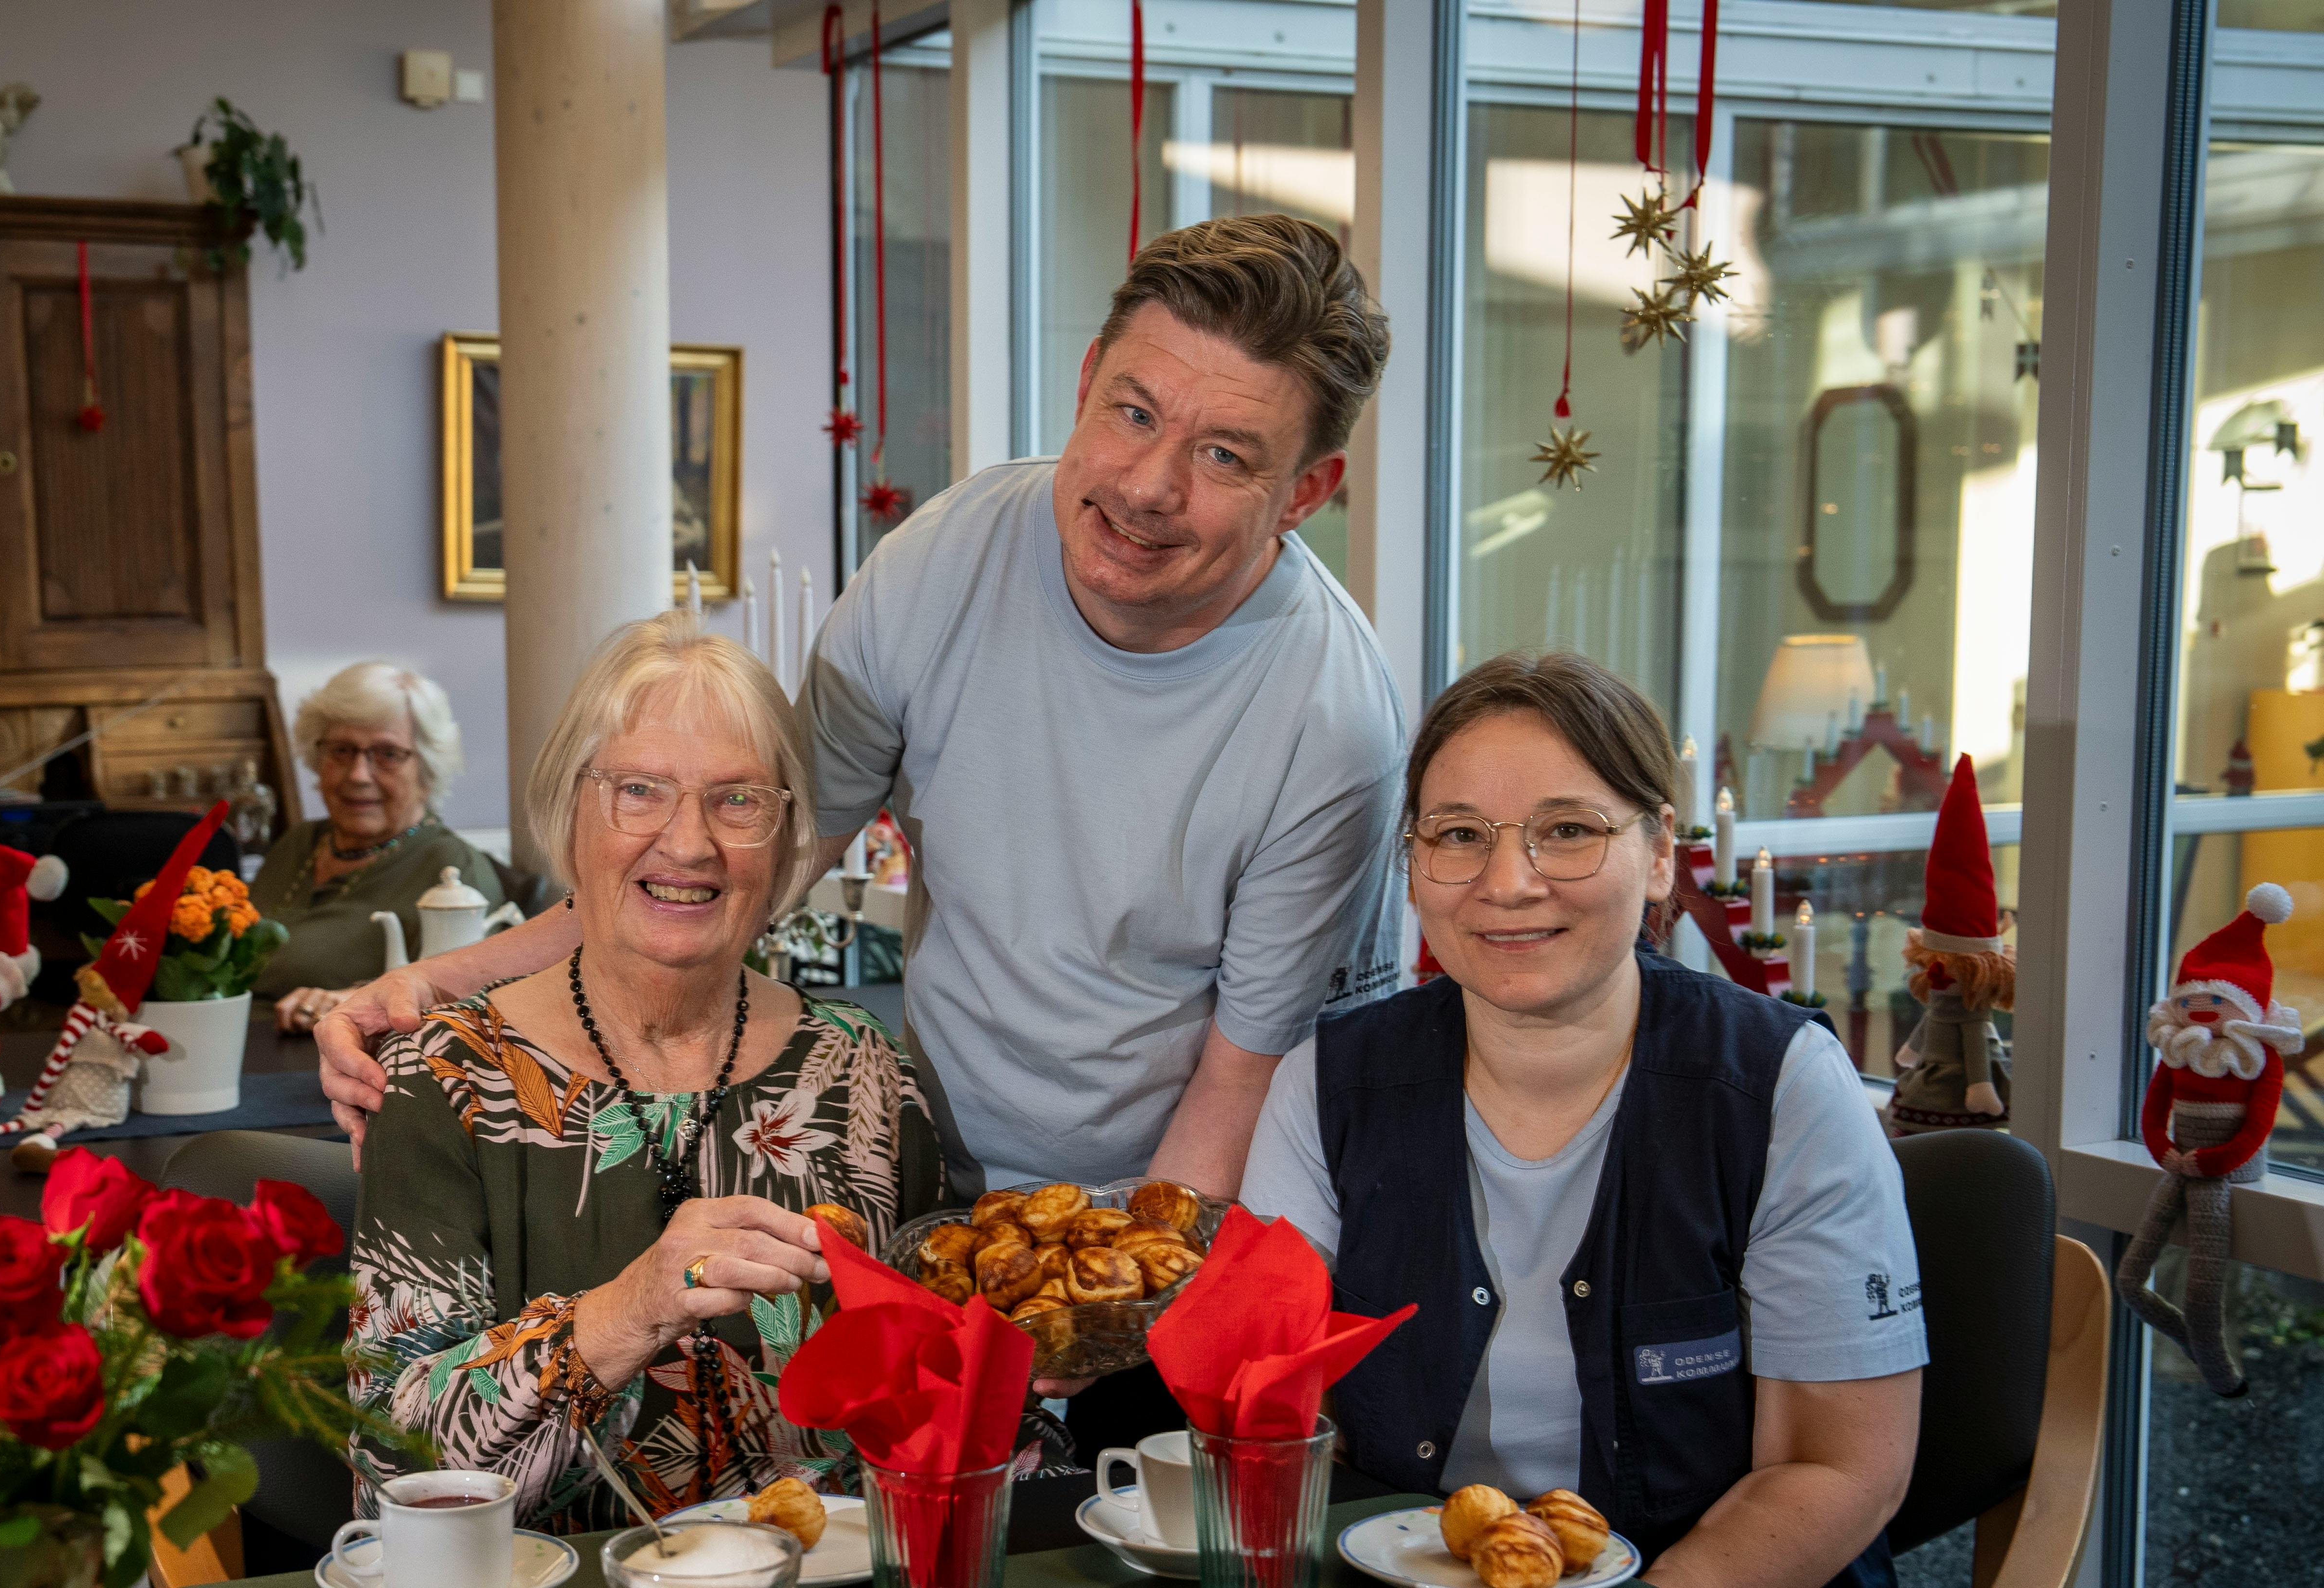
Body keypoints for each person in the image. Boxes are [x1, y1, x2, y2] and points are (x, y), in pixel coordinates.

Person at [321, 213, 1405, 1449]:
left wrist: (1089, 1315)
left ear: (1306, 492)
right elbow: (739, 860)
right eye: (1135, 411)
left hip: (1170, 1238)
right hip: (926, 1178)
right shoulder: (945, 561)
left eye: (1225, 454)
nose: (1149, 486)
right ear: (1086, 381)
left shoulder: (1330, 727)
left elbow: (1238, 1078)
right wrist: (432, 985)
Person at [1241, 652, 1924, 1588]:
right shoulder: (1323, 1082)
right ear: (1411, 868)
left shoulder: (1782, 1087)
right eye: (1457, 834)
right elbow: (1270, 1415)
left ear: (1656, 854)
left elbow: (1840, 1467)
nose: (1507, 881)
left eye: (1566, 830)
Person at [347, 613, 946, 1528]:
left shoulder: (861, 1069)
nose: (689, 843)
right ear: (567, 812)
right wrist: (627, 1311)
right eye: (639, 790)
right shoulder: (445, 1077)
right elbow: (396, 1468)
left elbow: (937, 1408)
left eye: (738, 799)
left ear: (786, 837)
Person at [251, 662, 556, 1032]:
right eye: (342, 750)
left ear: (427, 768)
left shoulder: (452, 867)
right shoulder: (298, 843)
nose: (358, 775)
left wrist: (355, 997)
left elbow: (472, 1002)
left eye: (388, 754)